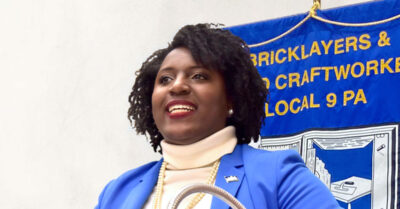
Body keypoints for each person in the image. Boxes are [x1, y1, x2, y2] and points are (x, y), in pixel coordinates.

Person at [95, 23, 342, 209]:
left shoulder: (277, 176)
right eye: (165, 79)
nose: (177, 86)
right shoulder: (117, 191)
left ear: (231, 99)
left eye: (199, 76)